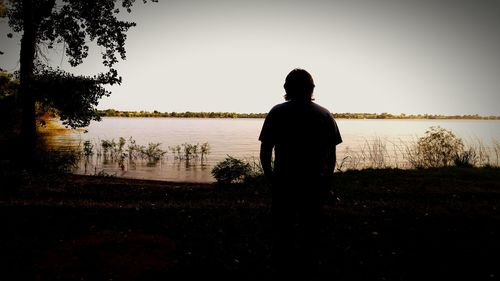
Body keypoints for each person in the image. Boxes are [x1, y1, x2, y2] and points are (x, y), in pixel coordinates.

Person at [259, 68, 342, 280]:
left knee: (282, 227)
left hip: (284, 181)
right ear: (311, 89)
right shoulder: (324, 114)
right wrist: (326, 182)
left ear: (286, 88)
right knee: (311, 227)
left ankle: (282, 267)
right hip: (313, 183)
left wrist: (270, 177)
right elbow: (331, 157)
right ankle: (308, 267)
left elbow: (266, 149)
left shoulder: (277, 112)